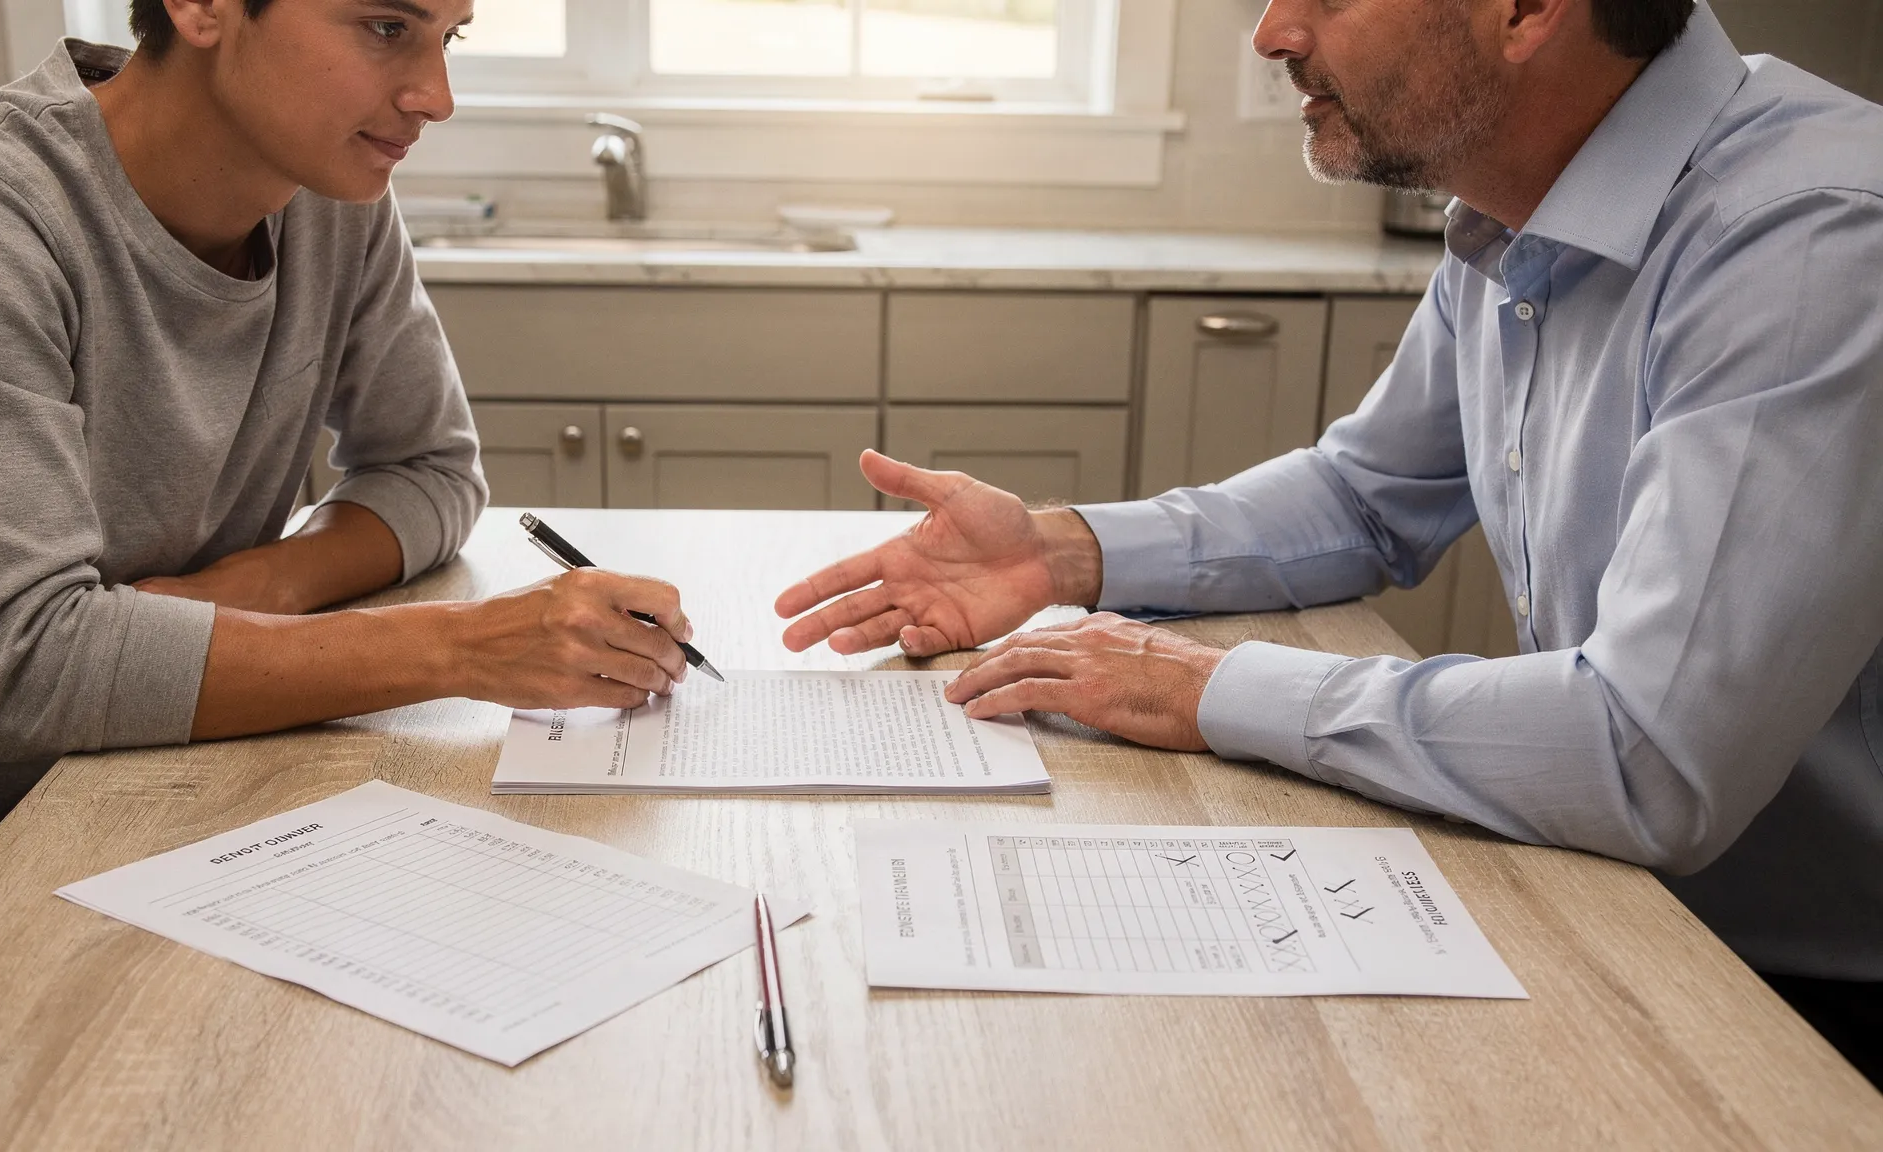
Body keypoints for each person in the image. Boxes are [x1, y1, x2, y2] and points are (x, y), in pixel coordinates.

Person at [778, 0, 1883, 1083]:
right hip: (1618, 901)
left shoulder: (1808, 237)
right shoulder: (1513, 215)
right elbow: (1363, 496)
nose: (1269, 33)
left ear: (1528, 9)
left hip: (1802, 997)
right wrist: (1060, 554)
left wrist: (1205, 690)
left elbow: (1642, 752)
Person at [0, 0, 695, 987]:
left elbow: (432, 469)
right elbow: (24, 672)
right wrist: (465, 646)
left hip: (162, 769)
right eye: (384, 28)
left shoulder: (328, 189)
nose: (435, 96)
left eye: (447, 38)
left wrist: (254, 587)